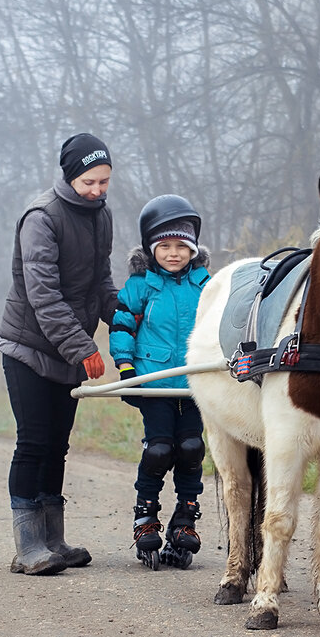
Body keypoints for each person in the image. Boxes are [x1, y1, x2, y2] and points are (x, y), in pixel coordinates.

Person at [0, 133, 119, 575]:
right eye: (90, 181)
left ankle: (54, 540)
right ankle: (28, 546)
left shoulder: (100, 217)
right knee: (33, 443)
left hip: (65, 351)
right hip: (28, 348)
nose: (98, 190)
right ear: (70, 176)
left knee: (57, 446)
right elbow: (43, 295)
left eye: (105, 181)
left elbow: (100, 283)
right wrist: (83, 348)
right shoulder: (41, 218)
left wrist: (124, 317)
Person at [109, 195, 211, 569]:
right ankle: (145, 515)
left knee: (191, 448)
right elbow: (122, 326)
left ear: (192, 250)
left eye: (181, 247)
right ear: (152, 249)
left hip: (195, 385)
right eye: (164, 246)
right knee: (159, 450)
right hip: (154, 383)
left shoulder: (206, 286)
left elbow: (221, 328)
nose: (173, 253)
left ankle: (185, 518)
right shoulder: (140, 286)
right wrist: (125, 368)